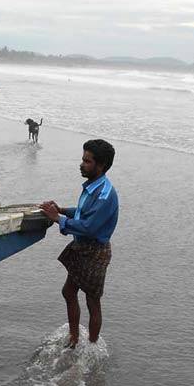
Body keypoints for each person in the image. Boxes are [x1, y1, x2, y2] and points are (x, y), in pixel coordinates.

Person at [39, 139, 119, 348]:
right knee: (68, 292)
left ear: (101, 166)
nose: (81, 164)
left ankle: (91, 346)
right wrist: (63, 210)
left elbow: (89, 227)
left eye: (87, 161)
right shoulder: (93, 186)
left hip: (95, 250)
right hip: (82, 246)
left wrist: (58, 219)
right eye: (82, 160)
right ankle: (73, 338)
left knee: (93, 301)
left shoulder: (104, 195)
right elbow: (84, 212)